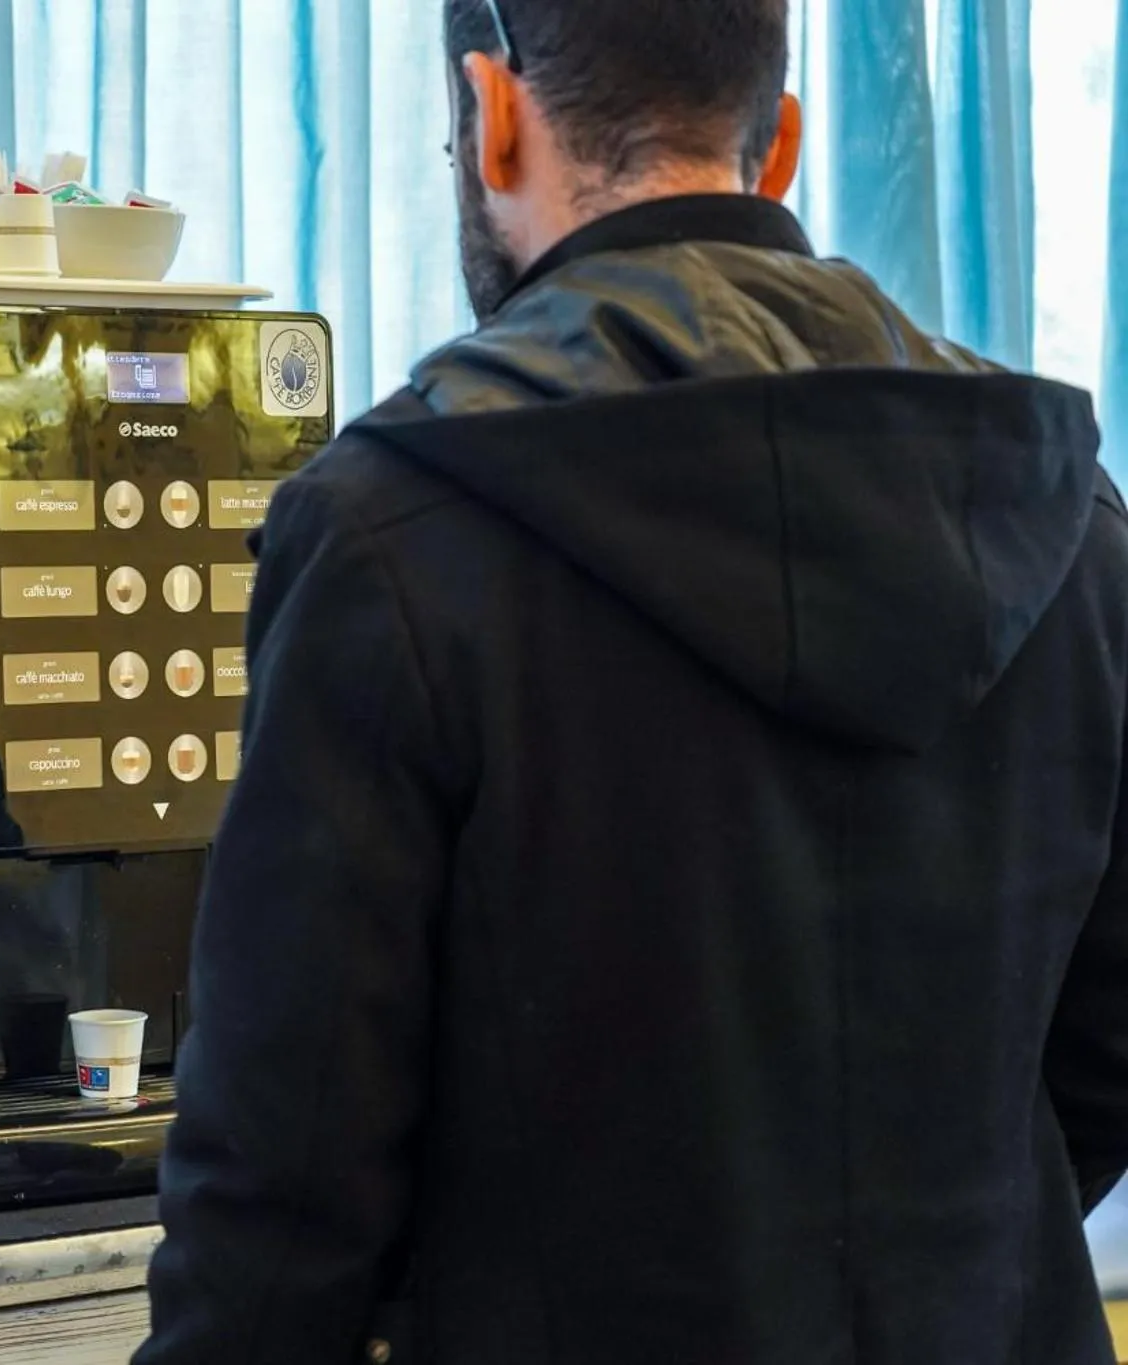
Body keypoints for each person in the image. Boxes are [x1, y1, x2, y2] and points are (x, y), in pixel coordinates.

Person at [135, 1, 1124, 1361]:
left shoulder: (393, 533)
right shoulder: (1067, 517)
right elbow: (1111, 1047)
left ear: (491, 115)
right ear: (776, 145)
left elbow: (285, 1181)